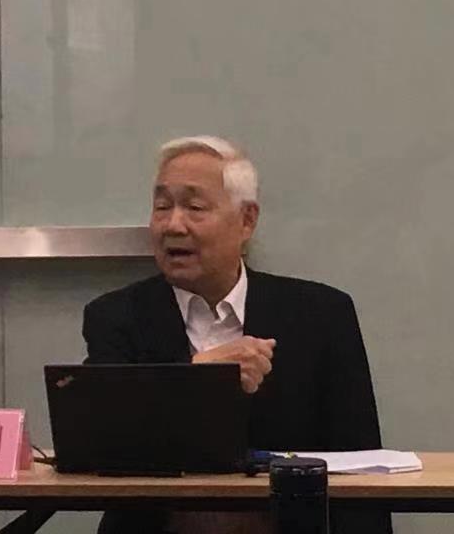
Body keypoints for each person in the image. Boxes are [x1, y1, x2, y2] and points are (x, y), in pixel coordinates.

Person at [83, 136, 391, 534]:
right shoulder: (116, 316)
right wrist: (199, 377)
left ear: (246, 220)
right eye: (162, 207)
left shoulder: (321, 315)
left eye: (194, 207)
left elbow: (363, 468)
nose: (173, 224)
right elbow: (103, 446)